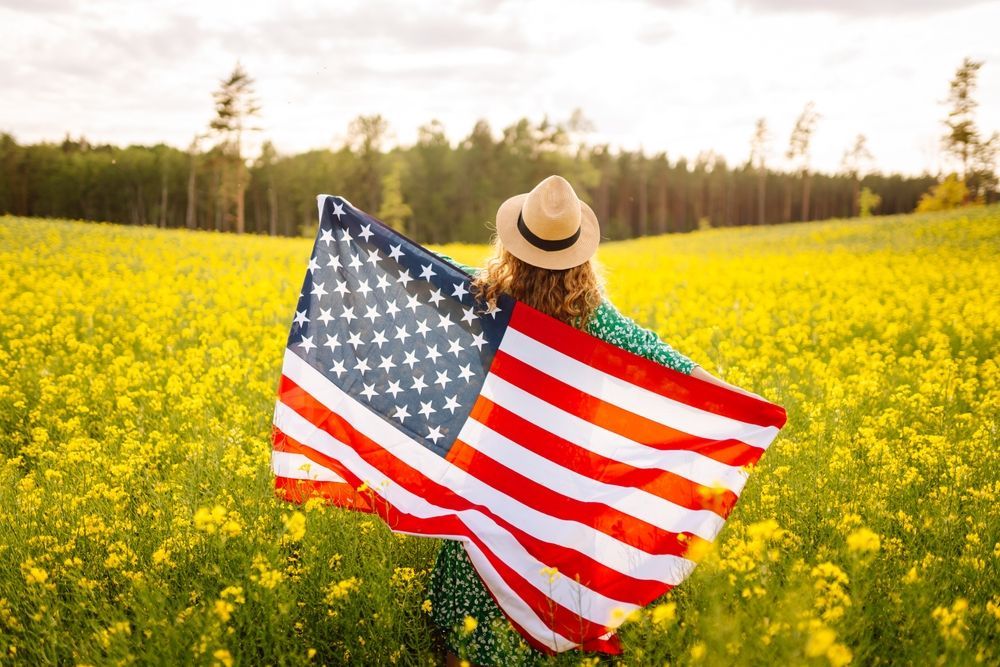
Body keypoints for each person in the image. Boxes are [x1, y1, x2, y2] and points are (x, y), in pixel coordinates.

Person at [425, 175, 758, 666]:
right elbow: (669, 362)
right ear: (579, 255)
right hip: (564, 479)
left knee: (479, 576)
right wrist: (744, 404)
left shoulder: (489, 298)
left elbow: (430, 269)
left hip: (497, 469)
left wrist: (354, 226)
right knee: (546, 577)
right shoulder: (595, 318)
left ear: (513, 246)